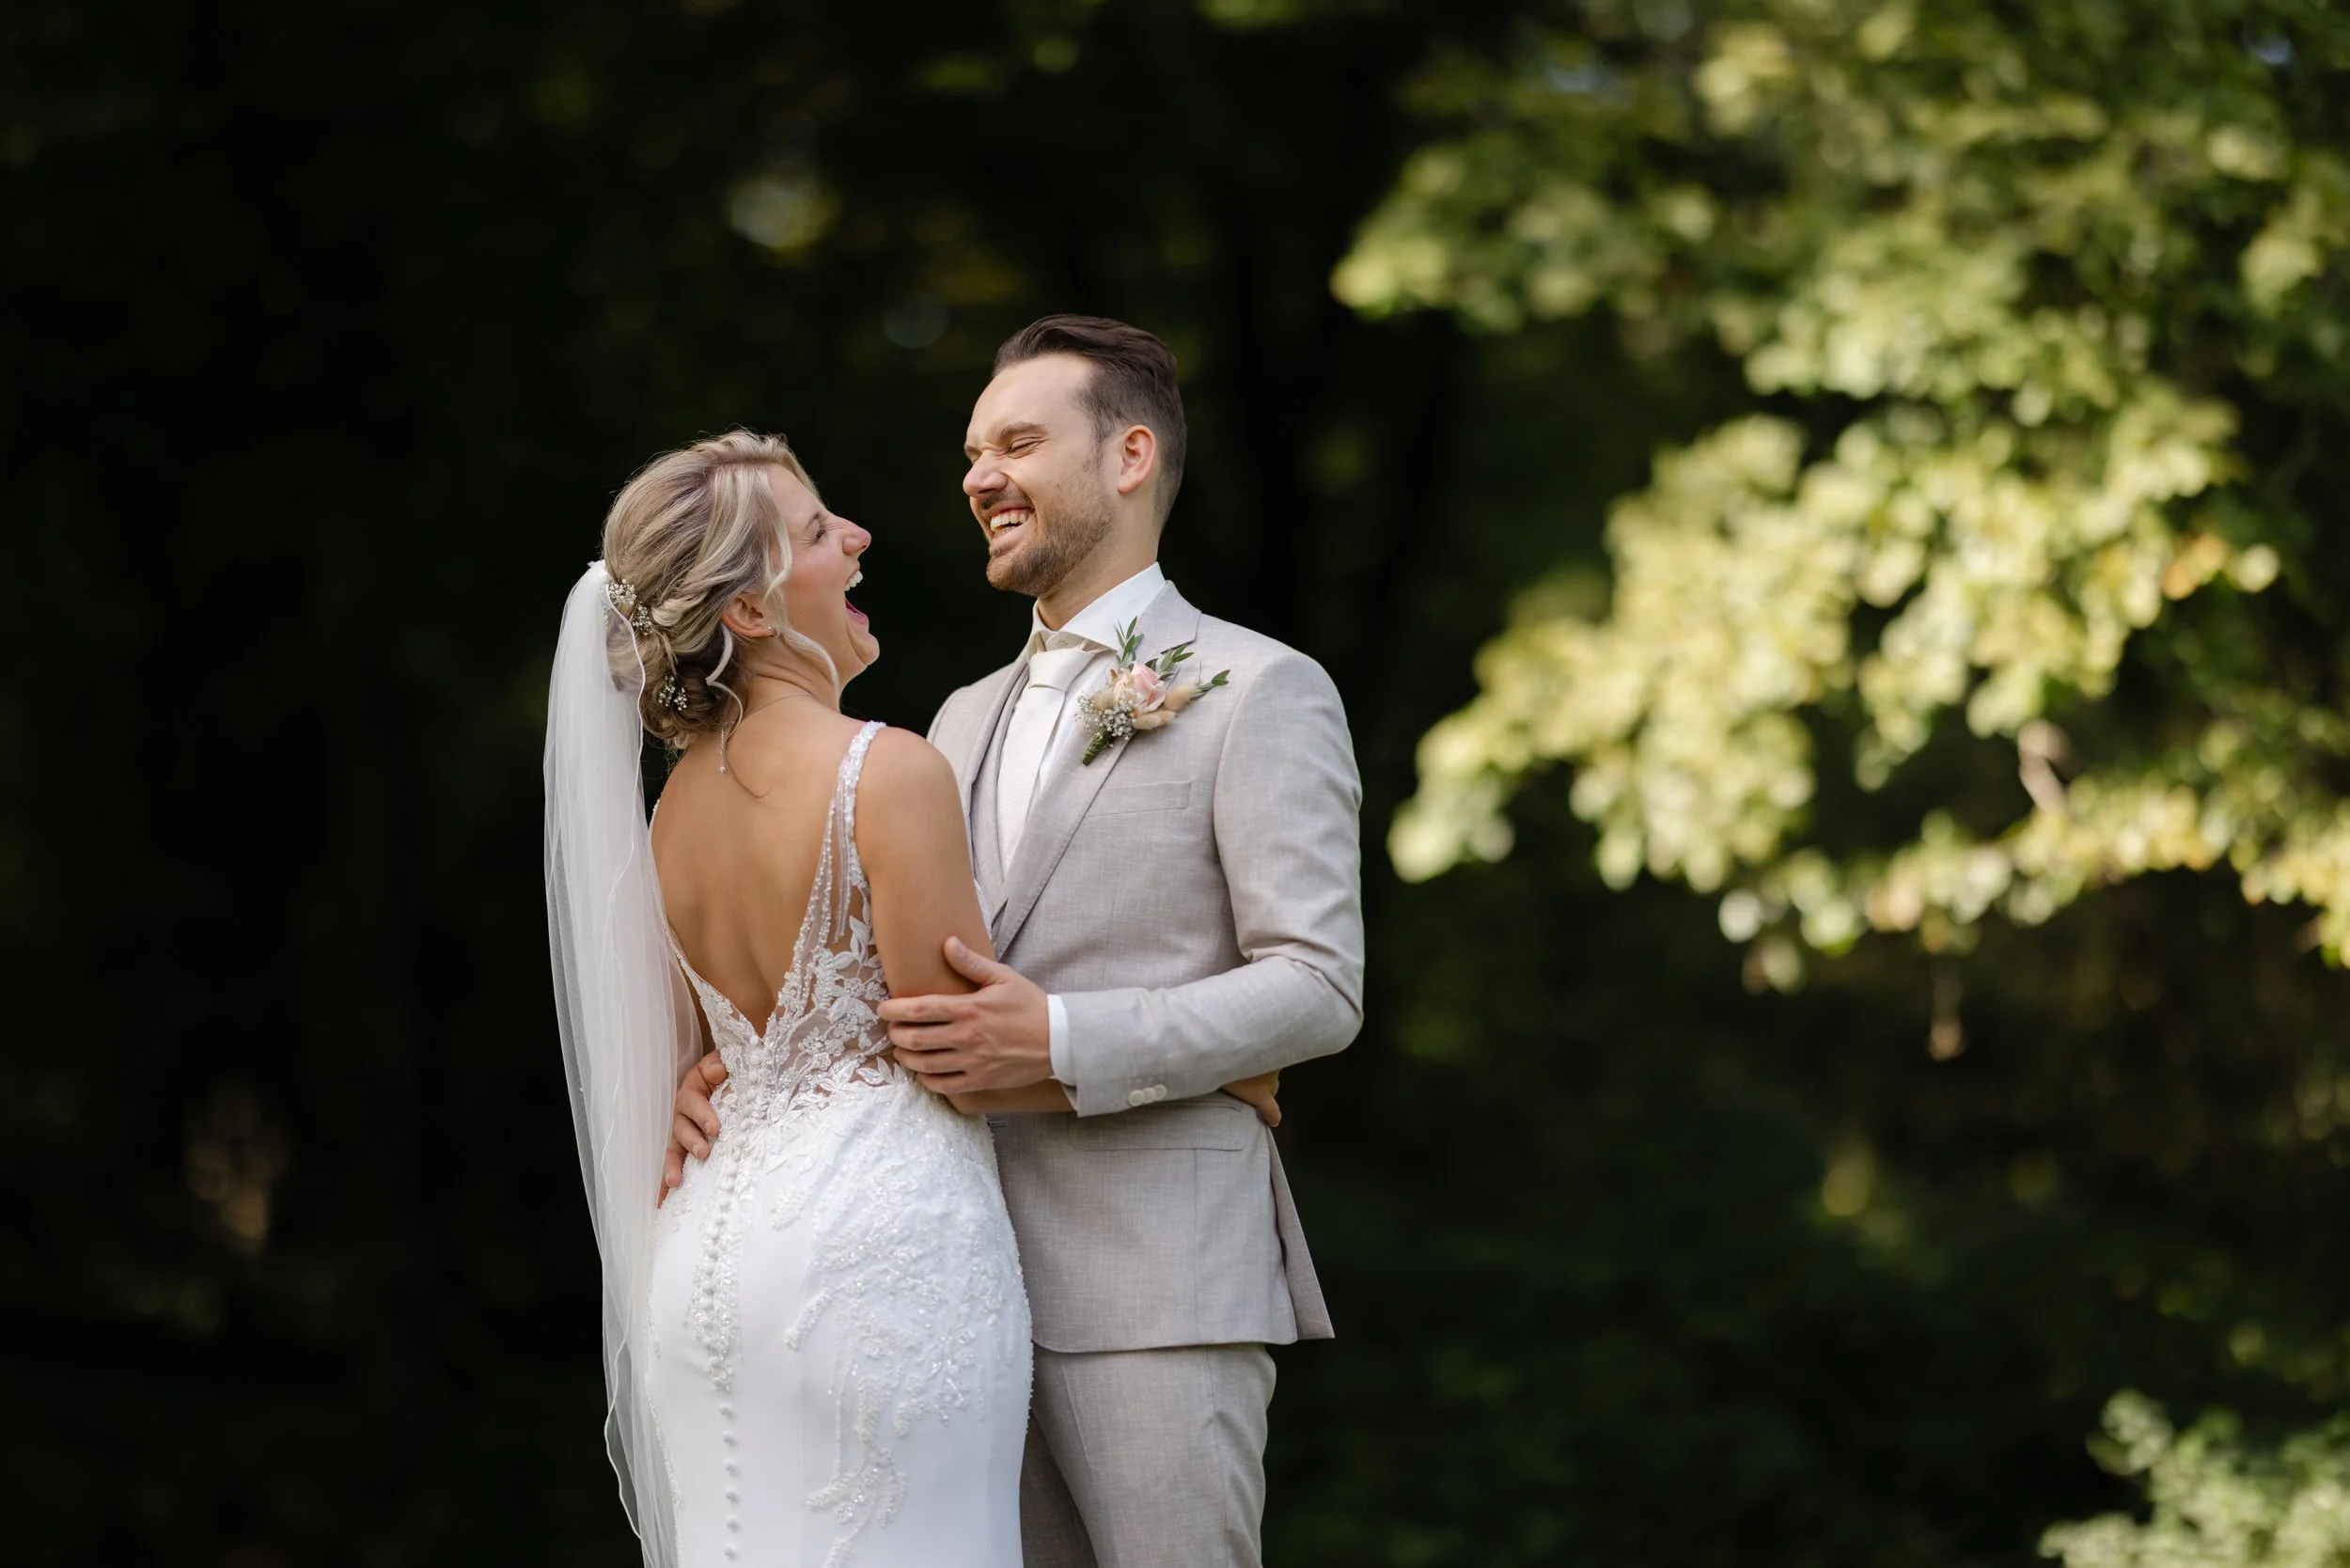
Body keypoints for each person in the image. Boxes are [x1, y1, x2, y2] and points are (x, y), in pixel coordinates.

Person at [664, 317, 1367, 1568]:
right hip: (923, 1287)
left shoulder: (1261, 689)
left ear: (1131, 456)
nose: (980, 475)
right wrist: (711, 1067)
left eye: (1020, 442)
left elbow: (1318, 987)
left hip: (1152, 1283)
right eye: (974, 449)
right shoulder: (950, 718)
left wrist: (1069, 1040)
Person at [543, 430, 1283, 1568]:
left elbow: (710, 1048)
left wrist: (697, 1077)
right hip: (875, 1253)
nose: (857, 537)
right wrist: (1232, 1062)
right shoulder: (884, 770)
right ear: (747, 611)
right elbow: (959, 1050)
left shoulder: (669, 815)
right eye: (816, 531)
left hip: (709, 1253)